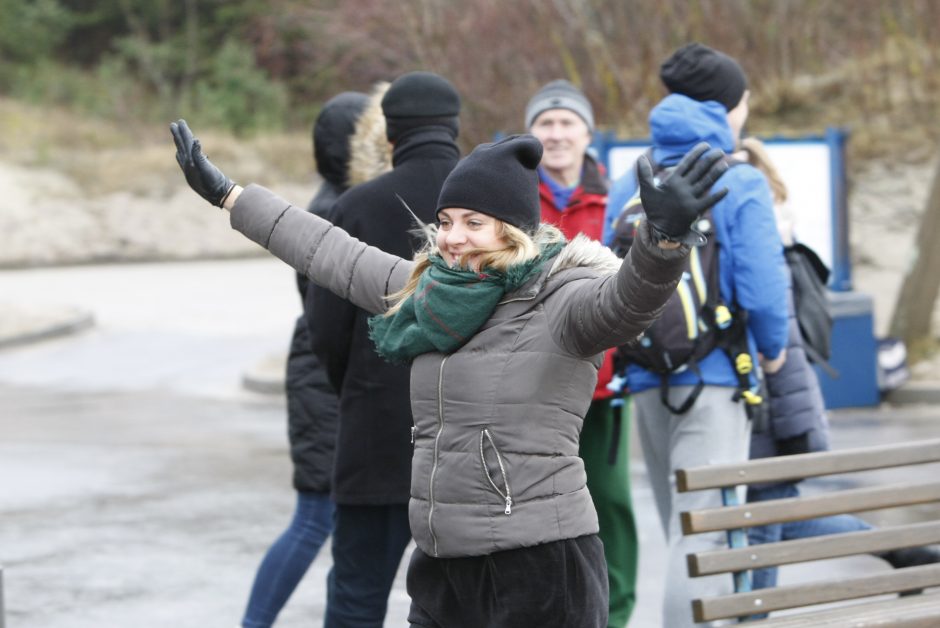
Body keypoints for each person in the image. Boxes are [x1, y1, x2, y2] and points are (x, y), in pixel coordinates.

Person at [171, 116, 731, 626]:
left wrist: (662, 243)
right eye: (444, 221)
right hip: (442, 563)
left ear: (511, 231)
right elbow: (329, 252)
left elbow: (629, 301)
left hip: (538, 563)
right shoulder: (427, 291)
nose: (452, 237)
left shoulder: (561, 300)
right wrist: (230, 197)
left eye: (473, 222)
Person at [603, 43, 790, 627]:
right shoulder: (740, 178)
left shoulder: (631, 180)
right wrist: (776, 347)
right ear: (727, 107)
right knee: (704, 537)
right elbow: (762, 287)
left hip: (644, 375)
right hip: (716, 375)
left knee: (679, 527)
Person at [738, 136, 940, 601]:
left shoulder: (769, 257)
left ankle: (754, 615)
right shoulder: (769, 249)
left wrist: (781, 424)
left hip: (773, 411)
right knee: (776, 512)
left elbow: (780, 352)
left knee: (763, 517)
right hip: (777, 408)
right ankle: (899, 550)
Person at [306, 71, 462, 628]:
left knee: (356, 596)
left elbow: (324, 334)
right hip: (467, 449)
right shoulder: (492, 212)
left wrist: (363, 386)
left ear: (390, 137)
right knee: (463, 605)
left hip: (375, 439)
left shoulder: (354, 208)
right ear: (454, 129)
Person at [241, 85, 391, 628]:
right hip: (324, 382)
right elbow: (334, 317)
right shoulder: (336, 209)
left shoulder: (342, 200)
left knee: (325, 519)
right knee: (313, 517)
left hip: (324, 378)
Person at [525, 79, 638, 627]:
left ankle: (615, 616)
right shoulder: (517, 199)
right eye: (545, 123)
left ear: (588, 133)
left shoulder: (618, 197)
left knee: (610, 506)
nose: (556, 133)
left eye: (567, 122)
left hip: (606, 389)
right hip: (537, 388)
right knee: (537, 515)